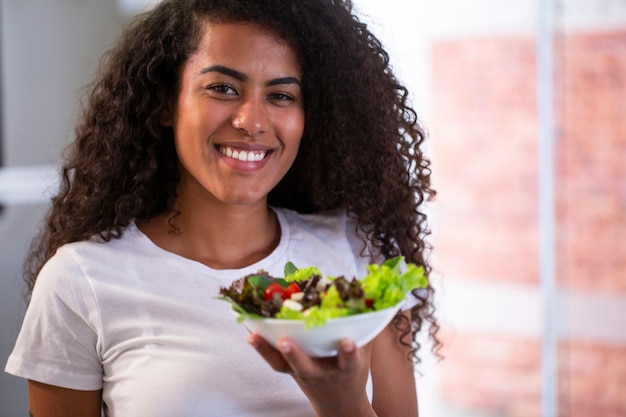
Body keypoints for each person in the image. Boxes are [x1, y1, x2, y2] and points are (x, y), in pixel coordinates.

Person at [5, 0, 440, 416]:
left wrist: (342, 403)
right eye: (223, 88)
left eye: (282, 96)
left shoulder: (358, 252)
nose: (252, 121)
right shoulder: (81, 280)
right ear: (164, 104)